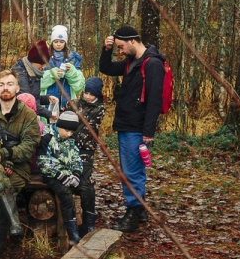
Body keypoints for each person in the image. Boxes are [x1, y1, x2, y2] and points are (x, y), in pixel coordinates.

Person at [98, 25, 168, 232]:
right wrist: (106, 50)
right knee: (133, 169)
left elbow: (154, 100)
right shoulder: (132, 63)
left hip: (136, 126)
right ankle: (140, 209)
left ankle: (133, 213)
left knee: (131, 171)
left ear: (132, 42)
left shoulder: (152, 64)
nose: (120, 51)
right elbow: (107, 69)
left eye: (121, 47)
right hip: (127, 123)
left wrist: (148, 132)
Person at [0, 70, 41, 254]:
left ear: (17, 88)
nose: (6, 88)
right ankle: (15, 224)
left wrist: (6, 154)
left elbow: (29, 145)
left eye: (10, 84)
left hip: (18, 169)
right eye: (2, 84)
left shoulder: (28, 115)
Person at [37, 110, 84, 246]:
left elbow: (76, 157)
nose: (69, 134)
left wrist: (76, 173)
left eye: (71, 132)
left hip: (69, 173)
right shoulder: (47, 137)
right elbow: (43, 161)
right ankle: (72, 233)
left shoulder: (71, 139)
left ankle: (88, 226)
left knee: (87, 189)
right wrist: (60, 175)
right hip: (51, 175)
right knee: (65, 194)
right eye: (66, 131)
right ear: (59, 126)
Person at [71, 77, 105, 236]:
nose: (88, 96)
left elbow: (87, 127)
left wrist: (73, 124)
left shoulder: (99, 109)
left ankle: (88, 221)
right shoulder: (75, 103)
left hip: (86, 149)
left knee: (85, 182)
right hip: (69, 147)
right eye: (86, 93)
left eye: (92, 94)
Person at [12, 40, 58, 120]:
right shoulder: (19, 74)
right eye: (42, 64)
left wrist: (47, 99)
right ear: (33, 61)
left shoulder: (35, 72)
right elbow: (27, 101)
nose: (43, 67)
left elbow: (34, 98)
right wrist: (49, 114)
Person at [43, 25, 84, 103]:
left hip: (68, 100)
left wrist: (71, 72)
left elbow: (79, 85)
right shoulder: (44, 56)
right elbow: (37, 82)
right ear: (51, 42)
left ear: (65, 42)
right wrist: (51, 74)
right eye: (56, 41)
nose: (58, 44)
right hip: (47, 100)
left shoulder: (73, 58)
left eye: (61, 42)